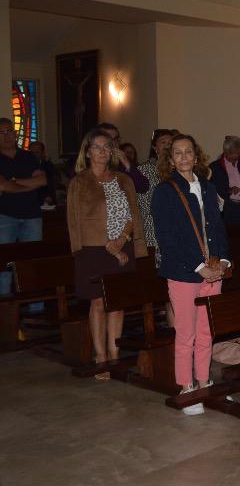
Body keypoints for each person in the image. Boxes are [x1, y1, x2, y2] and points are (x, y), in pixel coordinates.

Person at [152, 134, 230, 415]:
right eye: (178, 153)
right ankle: (186, 387)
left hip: (213, 270)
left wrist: (223, 261)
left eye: (188, 152)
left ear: (196, 157)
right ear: (170, 159)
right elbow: (168, 238)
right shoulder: (164, 191)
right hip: (184, 272)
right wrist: (199, 266)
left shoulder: (208, 187)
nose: (184, 157)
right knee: (186, 333)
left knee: (207, 331)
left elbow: (218, 228)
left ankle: (204, 381)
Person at [67, 128, 147, 379]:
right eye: (97, 147)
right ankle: (100, 356)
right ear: (87, 152)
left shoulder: (123, 179)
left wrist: (122, 240)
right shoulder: (79, 182)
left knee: (117, 304)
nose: (103, 151)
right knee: (98, 303)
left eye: (107, 147)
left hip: (123, 245)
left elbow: (133, 214)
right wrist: (102, 247)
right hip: (93, 251)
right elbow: (74, 222)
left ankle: (114, 354)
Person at [0, 118, 47, 300]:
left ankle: (36, 307)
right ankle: (5, 309)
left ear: (15, 133)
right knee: (3, 264)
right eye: (1, 132)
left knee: (32, 262)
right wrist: (29, 184)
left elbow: (42, 180)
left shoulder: (28, 157)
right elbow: (2, 186)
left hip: (32, 215)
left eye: (9, 131)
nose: (6, 136)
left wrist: (13, 182)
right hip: (5, 216)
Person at [137, 129, 174, 264]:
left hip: (175, 226)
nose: (167, 146)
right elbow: (145, 202)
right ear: (154, 147)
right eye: (163, 142)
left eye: (170, 143)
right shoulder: (144, 169)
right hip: (152, 225)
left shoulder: (178, 169)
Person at [210, 135, 240, 224]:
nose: (236, 156)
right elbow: (211, 191)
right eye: (233, 153)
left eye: (238, 153)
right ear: (225, 151)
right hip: (227, 210)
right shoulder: (215, 167)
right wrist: (229, 190)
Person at [97, 122, 149, 194]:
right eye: (109, 139)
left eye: (116, 139)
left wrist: (127, 164)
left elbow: (143, 187)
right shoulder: (92, 162)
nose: (114, 143)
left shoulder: (122, 162)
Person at [28, 141, 57, 207]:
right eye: (32, 152)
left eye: (37, 152)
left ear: (42, 153)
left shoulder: (48, 165)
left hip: (46, 199)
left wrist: (48, 196)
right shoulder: (25, 166)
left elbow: (52, 181)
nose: (34, 155)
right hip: (30, 198)